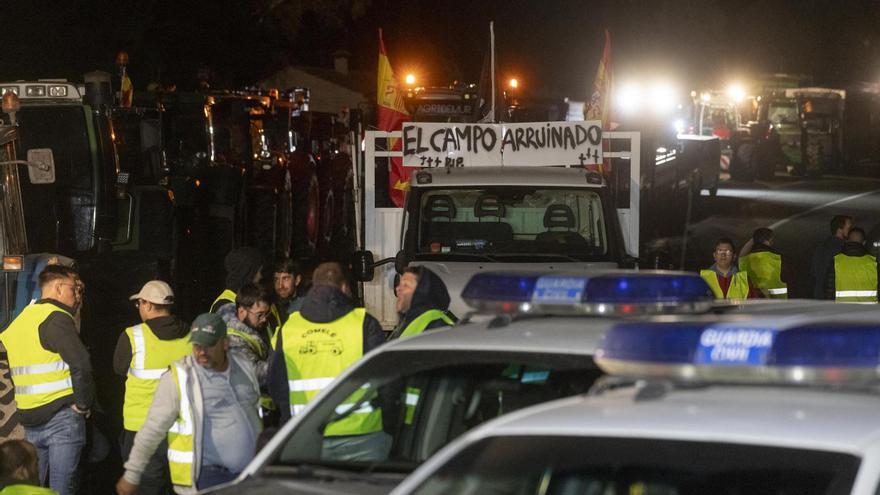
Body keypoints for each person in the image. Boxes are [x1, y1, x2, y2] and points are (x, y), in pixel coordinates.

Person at [116, 313, 261, 495]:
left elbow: (253, 409)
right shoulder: (180, 377)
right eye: (196, 345)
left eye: (208, 345)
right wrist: (132, 474)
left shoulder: (243, 366)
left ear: (225, 343)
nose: (201, 352)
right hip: (207, 477)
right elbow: (152, 427)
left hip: (248, 474)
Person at [267, 262, 387, 459]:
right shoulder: (364, 324)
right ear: (344, 287)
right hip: (360, 437)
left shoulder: (289, 329)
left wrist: (290, 423)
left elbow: (276, 383)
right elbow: (385, 378)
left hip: (305, 434)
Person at [0, 265, 93, 495]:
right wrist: (83, 405)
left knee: (31, 489)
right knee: (62, 489)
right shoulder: (57, 318)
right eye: (75, 288)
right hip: (62, 418)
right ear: (59, 288)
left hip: (30, 419)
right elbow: (81, 363)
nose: (78, 295)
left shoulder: (20, 321)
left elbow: (15, 369)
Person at [113, 280, 190, 495]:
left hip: (142, 428)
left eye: (139, 304)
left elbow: (119, 369)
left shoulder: (133, 336)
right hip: (181, 427)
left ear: (147, 305)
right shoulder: (192, 335)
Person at [216, 284, 272, 385]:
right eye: (260, 315)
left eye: (267, 314)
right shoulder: (232, 339)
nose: (264, 319)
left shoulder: (254, 326)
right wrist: (282, 367)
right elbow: (252, 372)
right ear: (242, 312)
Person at [388, 266, 456, 340]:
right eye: (399, 284)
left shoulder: (437, 327)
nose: (398, 289)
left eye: (406, 285)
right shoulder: (409, 320)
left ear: (422, 291)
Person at [826, 227, 878, 303]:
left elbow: (829, 290)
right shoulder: (874, 262)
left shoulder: (836, 261)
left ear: (847, 241)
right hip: (868, 312)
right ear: (864, 242)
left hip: (842, 312)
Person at [738, 228, 789, 299]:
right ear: (770, 240)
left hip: (753, 305)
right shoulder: (779, 258)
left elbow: (741, 254)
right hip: (778, 305)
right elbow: (791, 282)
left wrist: (756, 238)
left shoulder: (745, 260)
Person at [210, 247, 263, 313]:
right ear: (248, 273)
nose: (260, 276)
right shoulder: (225, 306)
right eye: (258, 271)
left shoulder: (242, 299)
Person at [810, 215, 853, 299]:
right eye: (848, 227)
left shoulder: (822, 245)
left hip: (819, 292)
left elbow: (813, 271)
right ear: (840, 229)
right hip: (831, 293)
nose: (850, 230)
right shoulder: (842, 248)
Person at [272, 258, 305, 323]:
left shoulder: (307, 306)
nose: (280, 285)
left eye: (285, 279)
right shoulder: (270, 308)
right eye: (276, 279)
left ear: (297, 280)